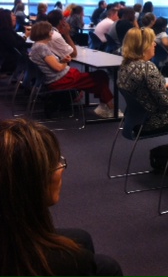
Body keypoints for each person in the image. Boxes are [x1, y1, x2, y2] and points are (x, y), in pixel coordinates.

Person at [0, 118, 124, 277]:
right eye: (54, 164)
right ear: (31, 181)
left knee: (81, 238)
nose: (61, 169)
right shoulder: (65, 264)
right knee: (107, 267)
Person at [28, 22, 118, 119]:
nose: (52, 33)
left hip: (58, 78)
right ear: (45, 33)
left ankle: (106, 105)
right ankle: (110, 107)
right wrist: (65, 62)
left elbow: (52, 64)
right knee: (100, 76)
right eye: (51, 31)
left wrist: (62, 61)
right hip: (61, 80)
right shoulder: (42, 48)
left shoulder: (36, 46)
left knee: (99, 76)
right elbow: (58, 68)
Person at [117, 27, 168, 132]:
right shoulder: (147, 67)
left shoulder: (125, 65)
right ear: (144, 45)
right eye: (152, 42)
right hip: (154, 120)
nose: (155, 44)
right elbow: (166, 102)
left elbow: (140, 90)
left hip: (134, 119)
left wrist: (165, 86)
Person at [0, 9, 29, 74]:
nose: (15, 17)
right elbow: (16, 44)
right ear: (7, 18)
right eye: (13, 15)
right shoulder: (5, 31)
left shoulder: (8, 30)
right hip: (11, 61)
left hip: (13, 59)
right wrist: (26, 36)